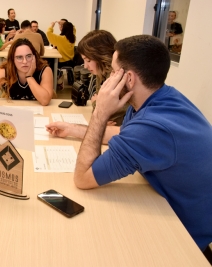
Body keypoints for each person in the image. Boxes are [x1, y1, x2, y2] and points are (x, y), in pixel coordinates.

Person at [70, 35, 212, 257]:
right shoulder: (163, 98)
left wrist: (100, 112)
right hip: (170, 209)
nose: (109, 77)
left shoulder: (152, 127)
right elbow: (127, 136)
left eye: (114, 71)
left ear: (128, 78)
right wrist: (74, 130)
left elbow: (82, 178)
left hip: (184, 241)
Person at [0, 38, 53, 106]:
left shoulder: (44, 70)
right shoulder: (5, 71)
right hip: (14, 112)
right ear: (13, 59)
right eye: (19, 57)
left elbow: (45, 101)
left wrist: (29, 77)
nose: (25, 61)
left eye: (28, 56)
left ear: (34, 57)